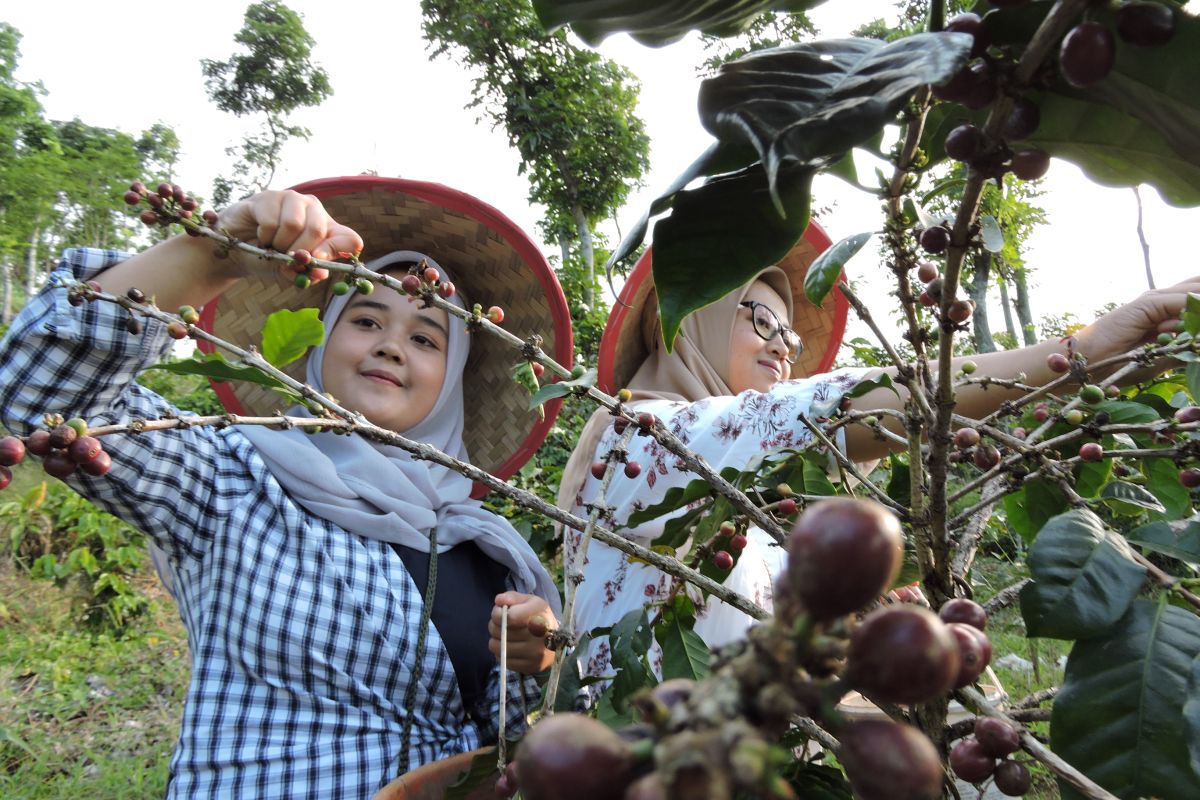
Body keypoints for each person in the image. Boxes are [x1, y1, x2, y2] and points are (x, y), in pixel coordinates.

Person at [0, 176, 569, 799]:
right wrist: (214, 254)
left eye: (426, 338)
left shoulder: (489, 548)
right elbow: (44, 392)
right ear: (319, 343)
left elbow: (507, 748)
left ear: (452, 379)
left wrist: (534, 663)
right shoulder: (231, 478)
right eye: (366, 318)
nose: (390, 345)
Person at [557, 222, 1200, 692]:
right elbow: (831, 408)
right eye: (760, 320)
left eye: (789, 332)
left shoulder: (750, 493)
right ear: (691, 318)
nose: (784, 347)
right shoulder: (636, 439)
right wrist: (1080, 353)